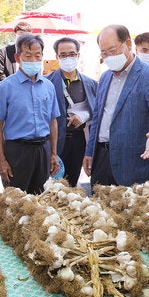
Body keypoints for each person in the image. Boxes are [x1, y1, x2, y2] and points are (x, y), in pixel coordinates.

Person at [83, 24, 149, 187]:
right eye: (104, 53)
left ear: (128, 45)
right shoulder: (104, 78)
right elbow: (97, 118)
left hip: (133, 162)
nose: (109, 56)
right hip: (102, 159)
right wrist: (90, 151)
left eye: (113, 50)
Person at [0, 33, 60, 194]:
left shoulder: (48, 86)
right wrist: (2, 161)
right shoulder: (5, 87)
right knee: (15, 201)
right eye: (28, 56)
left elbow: (53, 121)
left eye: (37, 55)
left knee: (41, 199)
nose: (33, 60)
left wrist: (53, 152)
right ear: (17, 57)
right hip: (17, 152)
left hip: (43, 149)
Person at [46, 37, 97, 187]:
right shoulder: (47, 82)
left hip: (78, 140)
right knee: (52, 184)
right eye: (63, 55)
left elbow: (97, 110)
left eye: (72, 54)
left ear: (78, 55)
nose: (68, 58)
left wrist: (83, 116)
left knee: (72, 182)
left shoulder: (90, 84)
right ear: (57, 57)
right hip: (55, 141)